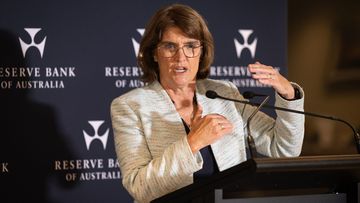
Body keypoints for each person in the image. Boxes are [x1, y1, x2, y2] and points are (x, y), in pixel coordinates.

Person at [110, 3, 304, 203]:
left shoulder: (223, 93)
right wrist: (193, 143)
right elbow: (140, 188)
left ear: (201, 51)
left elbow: (284, 148)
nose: (181, 57)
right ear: (154, 53)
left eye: (191, 46)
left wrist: (288, 93)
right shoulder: (129, 106)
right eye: (170, 46)